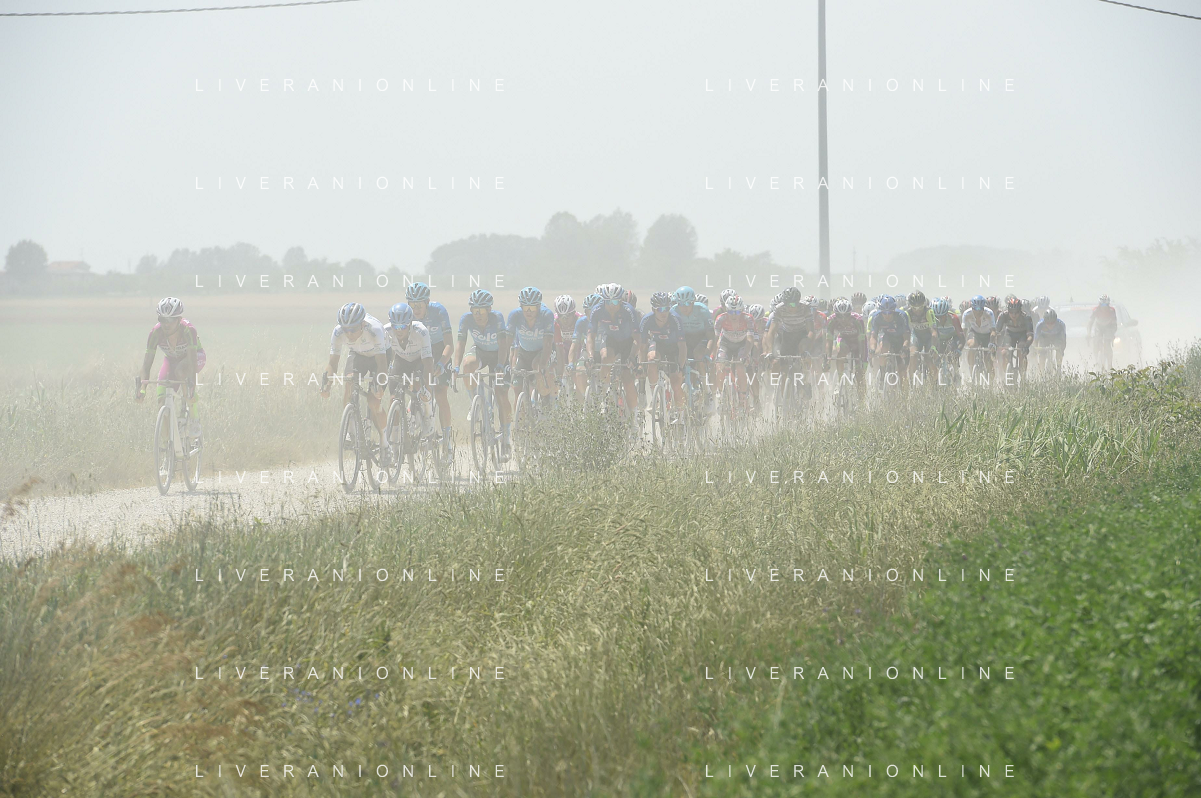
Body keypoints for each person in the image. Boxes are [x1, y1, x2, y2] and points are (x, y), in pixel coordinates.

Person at [454, 289, 513, 460]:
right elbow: (460, 344)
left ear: (489, 309)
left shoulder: (497, 318)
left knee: (501, 394)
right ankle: (476, 402)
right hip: (480, 351)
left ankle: (506, 437)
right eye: (475, 310)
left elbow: (503, 345)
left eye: (481, 311)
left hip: (498, 355)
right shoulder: (466, 319)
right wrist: (456, 367)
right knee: (468, 365)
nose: (478, 315)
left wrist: (501, 365)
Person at [137, 297, 206, 437]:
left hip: (194, 357)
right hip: (171, 360)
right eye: (162, 319)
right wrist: (142, 388)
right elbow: (146, 364)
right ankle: (167, 444)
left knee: (180, 371)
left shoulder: (188, 330)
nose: (166, 324)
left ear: (179, 319)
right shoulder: (155, 333)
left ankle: (193, 415)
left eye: (170, 320)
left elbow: (192, 362)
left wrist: (192, 387)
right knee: (161, 401)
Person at [322, 301, 390, 433]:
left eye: (353, 329)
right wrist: (327, 386)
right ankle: (350, 431)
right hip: (358, 354)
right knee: (349, 381)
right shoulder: (337, 332)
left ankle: (385, 440)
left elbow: (382, 363)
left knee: (373, 401)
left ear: (362, 324)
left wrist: (380, 386)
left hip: (380, 356)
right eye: (345, 329)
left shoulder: (374, 330)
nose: (349, 334)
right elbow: (332, 363)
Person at [405, 282, 454, 445]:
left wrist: (441, 363)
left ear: (427, 302)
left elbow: (450, 345)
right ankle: (419, 418)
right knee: (416, 384)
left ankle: (446, 438)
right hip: (420, 351)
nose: (415, 310)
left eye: (419, 305)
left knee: (440, 393)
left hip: (439, 350)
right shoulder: (407, 315)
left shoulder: (439, 311)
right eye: (412, 305)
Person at [385, 302, 438, 439]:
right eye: (395, 326)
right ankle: (394, 439)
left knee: (421, 388)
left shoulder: (421, 331)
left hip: (420, 360)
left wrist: (427, 387)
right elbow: (383, 357)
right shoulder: (385, 331)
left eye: (403, 326)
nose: (399, 330)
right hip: (401, 360)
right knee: (393, 397)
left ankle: (428, 415)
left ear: (410, 324)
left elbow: (428, 362)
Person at [586, 282, 640, 414]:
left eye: (615, 301)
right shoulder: (597, 310)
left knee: (627, 380)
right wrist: (591, 356)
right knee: (605, 358)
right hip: (611, 339)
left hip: (628, 342)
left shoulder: (628, 311)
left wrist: (632, 356)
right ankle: (603, 396)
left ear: (621, 301)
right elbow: (590, 336)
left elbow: (638, 339)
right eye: (608, 301)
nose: (612, 305)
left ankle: (634, 416)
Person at [507, 286, 557, 404]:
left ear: (538, 306)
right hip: (524, 353)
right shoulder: (515, 315)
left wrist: (543, 364)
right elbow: (507, 341)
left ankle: (546, 403)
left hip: (543, 351)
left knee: (537, 365)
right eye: (525, 307)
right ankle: (521, 414)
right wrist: (503, 362)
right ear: (521, 306)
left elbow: (548, 343)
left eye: (532, 308)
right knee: (517, 387)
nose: (529, 311)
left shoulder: (546, 315)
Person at [639, 291, 687, 410]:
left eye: (666, 309)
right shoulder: (646, 320)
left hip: (673, 347)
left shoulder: (675, 319)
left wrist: (681, 368)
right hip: (658, 345)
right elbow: (642, 346)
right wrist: (641, 365)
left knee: (676, 384)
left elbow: (682, 346)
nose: (664, 312)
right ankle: (655, 398)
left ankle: (681, 413)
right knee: (651, 359)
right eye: (660, 309)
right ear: (653, 309)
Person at [671, 286, 716, 409]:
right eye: (681, 304)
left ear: (693, 302)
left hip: (701, 338)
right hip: (684, 339)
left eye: (688, 303)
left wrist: (707, 354)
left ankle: (707, 392)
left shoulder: (702, 310)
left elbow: (711, 336)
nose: (684, 307)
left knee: (698, 356)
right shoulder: (674, 311)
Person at [712, 294, 754, 402]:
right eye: (731, 312)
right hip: (725, 344)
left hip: (742, 345)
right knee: (720, 366)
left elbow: (750, 339)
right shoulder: (721, 318)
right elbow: (716, 338)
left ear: (742, 311)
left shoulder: (748, 318)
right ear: (726, 310)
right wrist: (713, 355)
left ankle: (743, 396)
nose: (734, 315)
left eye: (737, 312)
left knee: (740, 367)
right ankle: (720, 393)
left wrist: (745, 354)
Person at [824, 297, 867, 394]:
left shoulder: (857, 319)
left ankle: (862, 399)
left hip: (858, 342)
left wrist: (862, 358)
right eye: (839, 316)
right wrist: (828, 358)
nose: (843, 319)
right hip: (844, 340)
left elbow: (862, 340)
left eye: (846, 316)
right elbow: (829, 340)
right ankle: (840, 381)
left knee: (860, 373)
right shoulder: (831, 320)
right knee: (840, 354)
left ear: (850, 313)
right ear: (835, 314)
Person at [867, 295, 911, 385]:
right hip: (887, 338)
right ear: (880, 311)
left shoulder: (902, 315)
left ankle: (904, 393)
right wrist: (872, 349)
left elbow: (907, 337)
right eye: (884, 313)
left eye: (890, 312)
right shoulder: (876, 317)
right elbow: (873, 336)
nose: (887, 315)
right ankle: (882, 374)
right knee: (883, 348)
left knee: (902, 372)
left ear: (894, 310)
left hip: (900, 340)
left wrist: (904, 348)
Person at [995, 296, 1034, 382]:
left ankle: (1023, 377)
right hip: (1009, 334)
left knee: (1021, 350)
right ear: (1008, 311)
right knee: (1004, 353)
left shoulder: (1026, 317)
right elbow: (996, 331)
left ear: (1020, 311)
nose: (1014, 315)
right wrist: (993, 343)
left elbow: (1030, 335)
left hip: (1022, 334)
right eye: (1011, 312)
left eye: (1016, 312)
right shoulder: (1003, 315)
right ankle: (1006, 373)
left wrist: (1026, 346)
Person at [904, 290, 938, 383]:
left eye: (920, 307)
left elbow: (934, 332)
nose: (917, 310)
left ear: (924, 304)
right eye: (914, 308)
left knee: (928, 359)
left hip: (928, 337)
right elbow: (905, 332)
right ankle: (911, 383)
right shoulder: (907, 313)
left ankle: (935, 383)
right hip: (916, 336)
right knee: (913, 355)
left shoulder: (929, 312)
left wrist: (933, 347)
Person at [960, 295, 995, 383]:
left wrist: (991, 342)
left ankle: (991, 383)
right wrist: (961, 343)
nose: (978, 312)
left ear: (984, 308)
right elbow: (964, 331)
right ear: (972, 308)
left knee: (988, 361)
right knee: (971, 345)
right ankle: (971, 369)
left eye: (980, 310)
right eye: (976, 310)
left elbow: (993, 331)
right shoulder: (967, 314)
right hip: (975, 333)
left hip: (987, 334)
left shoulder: (989, 313)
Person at [1087, 294, 1119, 369]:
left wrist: (1112, 333)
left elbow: (1114, 324)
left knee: (1107, 344)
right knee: (1096, 342)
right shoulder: (1095, 310)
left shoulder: (1112, 310)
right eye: (1102, 305)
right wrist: (1089, 333)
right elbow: (1090, 322)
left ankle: (1110, 364)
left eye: (1106, 305)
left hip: (1109, 327)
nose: (1104, 307)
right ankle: (1096, 359)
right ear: (1099, 304)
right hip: (1099, 327)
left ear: (1108, 304)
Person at [1033, 307, 1067, 372]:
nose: (1050, 325)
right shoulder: (1040, 324)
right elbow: (1036, 338)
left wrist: (1062, 349)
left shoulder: (1061, 324)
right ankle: (1041, 371)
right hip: (1044, 337)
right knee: (1042, 354)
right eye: (1048, 323)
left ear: (1055, 320)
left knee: (1059, 350)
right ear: (1044, 321)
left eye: (1052, 323)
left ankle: (1059, 368)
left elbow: (1063, 339)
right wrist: (1036, 348)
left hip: (1056, 337)